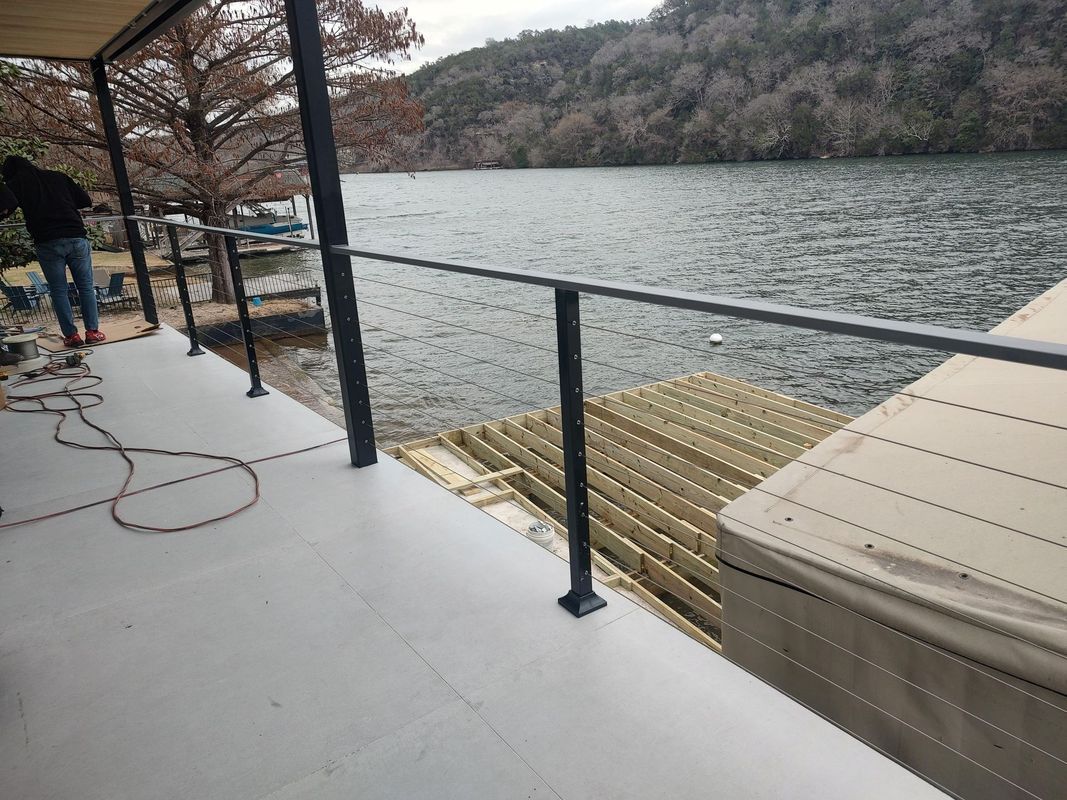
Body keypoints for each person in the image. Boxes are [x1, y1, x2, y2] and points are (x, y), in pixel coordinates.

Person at [0, 156, 105, 347]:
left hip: (47, 241)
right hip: (75, 236)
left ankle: (71, 336)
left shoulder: (15, 184)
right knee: (86, 287)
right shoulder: (58, 176)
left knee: (58, 290)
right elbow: (84, 200)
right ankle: (92, 332)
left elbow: (6, 207)